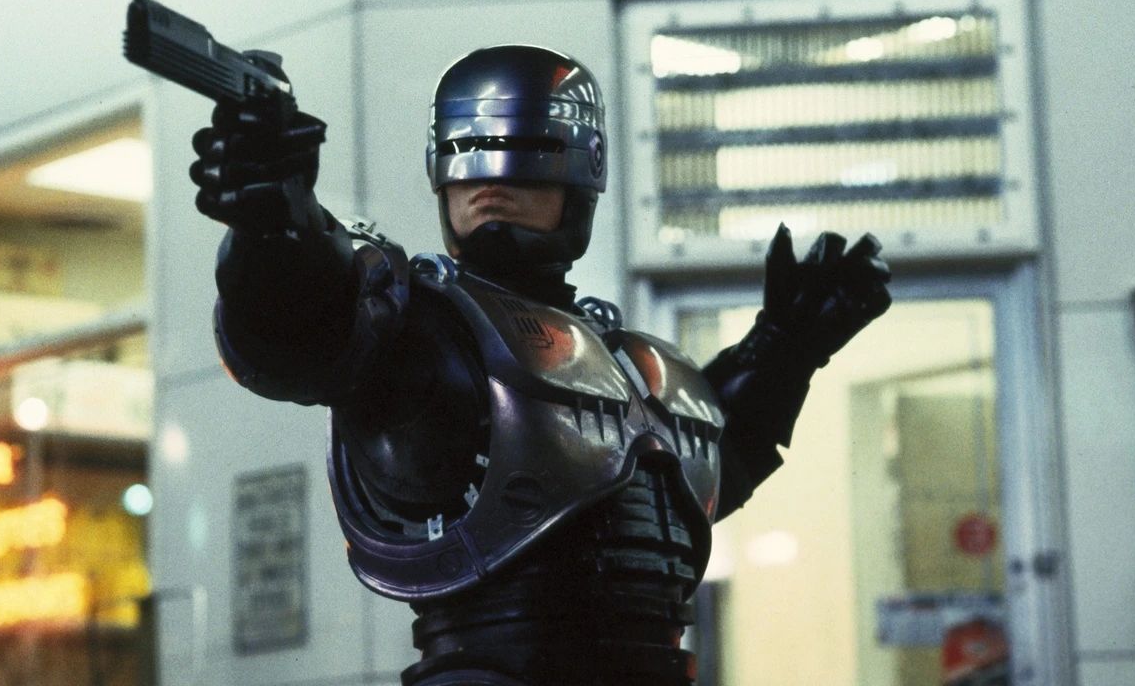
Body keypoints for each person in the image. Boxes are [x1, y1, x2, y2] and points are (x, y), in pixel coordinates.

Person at [190, 44, 891, 686]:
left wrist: (784, 350)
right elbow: (300, 324)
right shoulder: (423, 331)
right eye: (466, 149)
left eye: (524, 147)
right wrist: (275, 228)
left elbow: (701, 468)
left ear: (580, 170)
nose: (489, 177)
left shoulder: (631, 362)